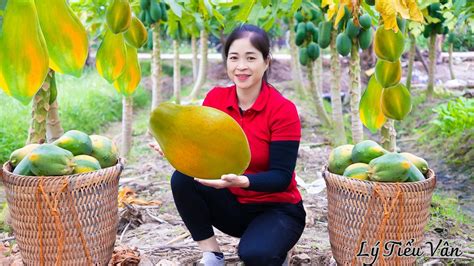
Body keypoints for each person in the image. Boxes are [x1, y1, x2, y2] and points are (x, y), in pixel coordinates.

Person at [150, 24, 306, 266]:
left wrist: (242, 180)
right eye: (234, 58)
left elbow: (281, 177)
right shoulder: (215, 99)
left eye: (250, 58)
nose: (241, 66)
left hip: (278, 210)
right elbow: (202, 153)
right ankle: (213, 255)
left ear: (266, 62)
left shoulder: (282, 110)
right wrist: (175, 150)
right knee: (182, 178)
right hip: (233, 206)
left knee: (256, 255)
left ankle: (276, 245)